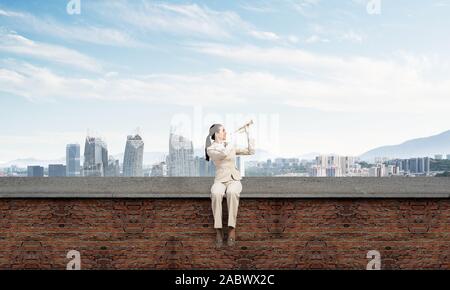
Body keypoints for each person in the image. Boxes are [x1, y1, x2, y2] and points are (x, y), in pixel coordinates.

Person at [205, 123, 255, 248]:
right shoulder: (211, 149)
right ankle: (218, 230)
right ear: (216, 133)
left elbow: (250, 151)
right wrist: (232, 142)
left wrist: (248, 133)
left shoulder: (229, 145)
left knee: (232, 193)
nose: (226, 133)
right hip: (220, 180)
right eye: (223, 130)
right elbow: (223, 154)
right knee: (216, 193)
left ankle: (232, 228)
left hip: (234, 179)